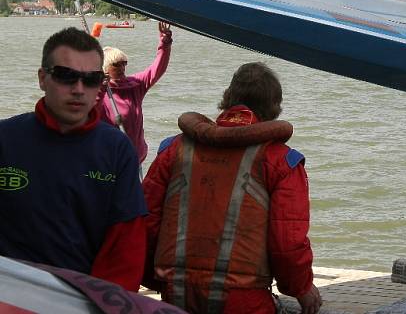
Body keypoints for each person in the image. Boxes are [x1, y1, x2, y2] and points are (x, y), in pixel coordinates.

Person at [142, 62, 322, 314]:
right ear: (274, 107)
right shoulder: (282, 161)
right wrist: (302, 289)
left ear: (227, 99)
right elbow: (287, 242)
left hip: (177, 293)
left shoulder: (174, 149)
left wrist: (154, 280)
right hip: (246, 299)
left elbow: (145, 221)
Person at [0, 27, 147, 290]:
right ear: (42, 78)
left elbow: (126, 249)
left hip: (82, 298)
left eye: (91, 79)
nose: (79, 89)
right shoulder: (5, 138)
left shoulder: (117, 150)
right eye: (66, 76)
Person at [102, 21, 173, 164]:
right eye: (116, 64)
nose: (122, 68)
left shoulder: (135, 85)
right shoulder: (99, 93)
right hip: (110, 160)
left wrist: (165, 44)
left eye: (124, 63)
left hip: (136, 156)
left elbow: (156, 70)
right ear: (104, 69)